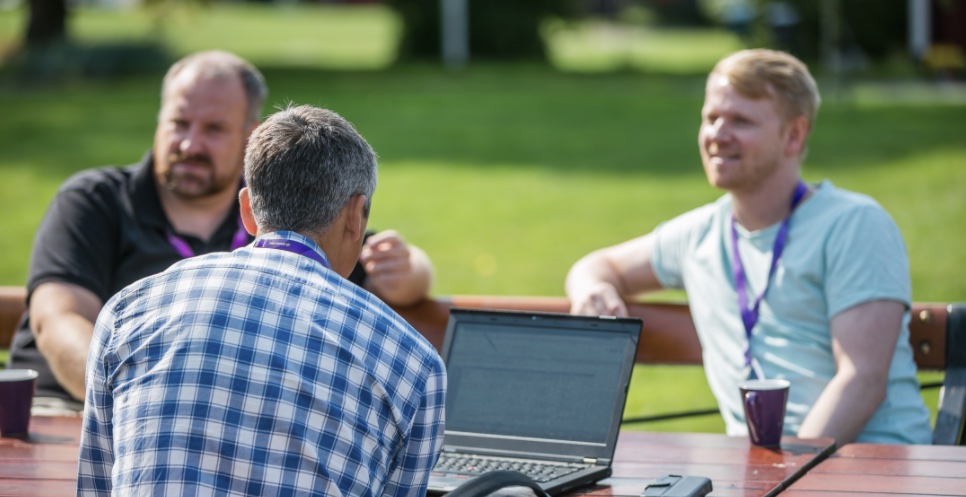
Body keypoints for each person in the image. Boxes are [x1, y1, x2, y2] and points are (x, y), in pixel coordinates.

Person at [9, 50, 433, 411]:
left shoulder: (277, 210)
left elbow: (368, 263)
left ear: (253, 135)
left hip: (205, 421)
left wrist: (412, 270)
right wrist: (144, 401)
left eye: (213, 129)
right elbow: (57, 318)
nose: (190, 145)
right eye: (179, 123)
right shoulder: (94, 200)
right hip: (67, 410)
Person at [566, 49, 932, 446]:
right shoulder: (698, 235)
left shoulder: (853, 224)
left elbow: (862, 380)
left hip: (873, 464)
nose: (717, 135)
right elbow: (599, 266)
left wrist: (783, 478)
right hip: (761, 473)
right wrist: (590, 289)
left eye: (741, 120)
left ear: (794, 134)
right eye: (711, 118)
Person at [76, 104, 447, 496]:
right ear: (356, 216)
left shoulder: (127, 312)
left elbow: (96, 485)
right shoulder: (414, 365)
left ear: (248, 211)